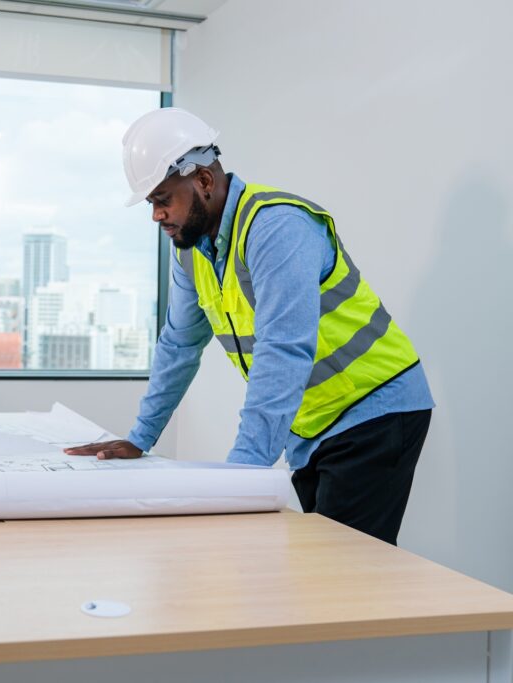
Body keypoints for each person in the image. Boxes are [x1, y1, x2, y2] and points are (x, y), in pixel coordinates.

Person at [65, 108, 434, 545]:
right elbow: (179, 345)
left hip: (374, 408)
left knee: (344, 574)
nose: (156, 216)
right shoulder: (192, 252)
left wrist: (240, 476)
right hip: (312, 425)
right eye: (151, 203)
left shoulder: (277, 227)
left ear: (202, 180)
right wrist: (139, 438)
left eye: (163, 199)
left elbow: (283, 349)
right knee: (323, 571)